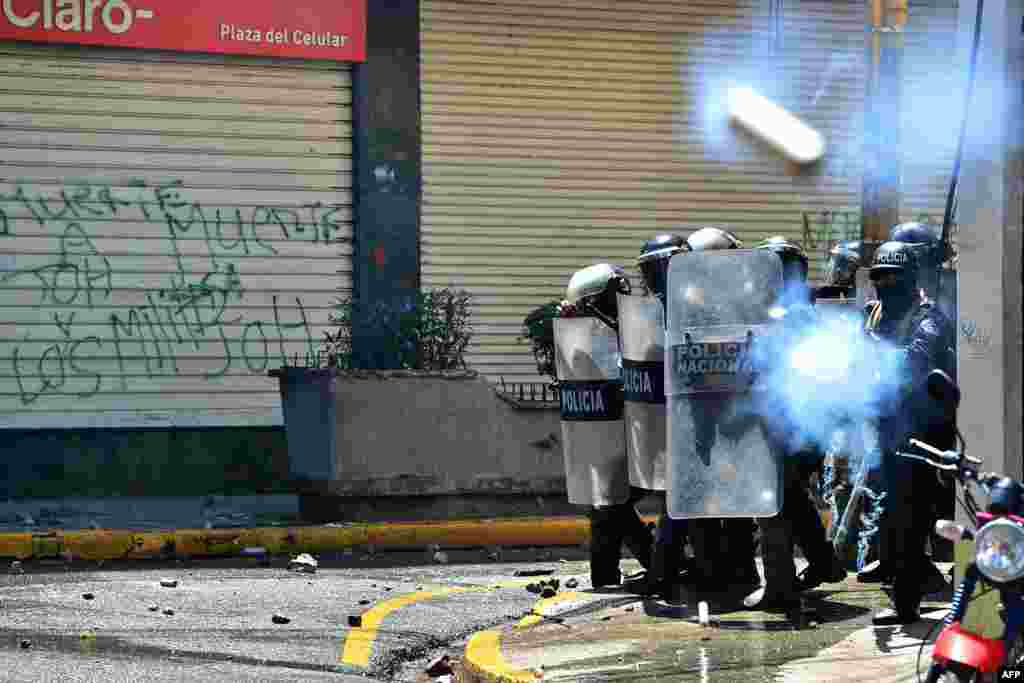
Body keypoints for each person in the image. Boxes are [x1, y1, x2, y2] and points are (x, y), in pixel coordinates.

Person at [742, 237, 847, 610]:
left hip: (787, 425)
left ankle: (779, 586)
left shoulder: (785, 318)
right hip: (806, 428)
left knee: (771, 501)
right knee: (792, 498)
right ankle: (824, 562)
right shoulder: (801, 314)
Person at [859, 241, 954, 625]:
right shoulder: (874, 317)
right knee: (892, 517)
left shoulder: (929, 317)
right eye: (878, 277)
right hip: (887, 428)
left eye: (892, 277)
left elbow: (915, 361)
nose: (884, 284)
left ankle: (907, 601)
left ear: (910, 278)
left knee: (910, 519)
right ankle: (905, 593)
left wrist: (874, 349)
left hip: (923, 435)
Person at [557, 264, 654, 589]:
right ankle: (645, 568)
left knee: (610, 507)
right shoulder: (583, 340)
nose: (623, 300)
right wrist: (569, 328)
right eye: (615, 295)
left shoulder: (632, 330)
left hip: (640, 437)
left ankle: (654, 567)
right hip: (609, 439)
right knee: (608, 507)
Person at [681, 227, 761, 593]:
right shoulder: (688, 301)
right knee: (708, 496)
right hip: (703, 410)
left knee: (737, 499)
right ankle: (714, 570)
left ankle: (740, 570)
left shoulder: (744, 301)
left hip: (735, 410)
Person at [634, 233, 692, 600]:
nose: (655, 277)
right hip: (670, 416)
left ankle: (664, 573)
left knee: (681, 501)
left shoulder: (698, 302)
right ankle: (665, 571)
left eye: (661, 267)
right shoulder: (655, 309)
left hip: (700, 414)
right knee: (677, 500)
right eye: (650, 270)